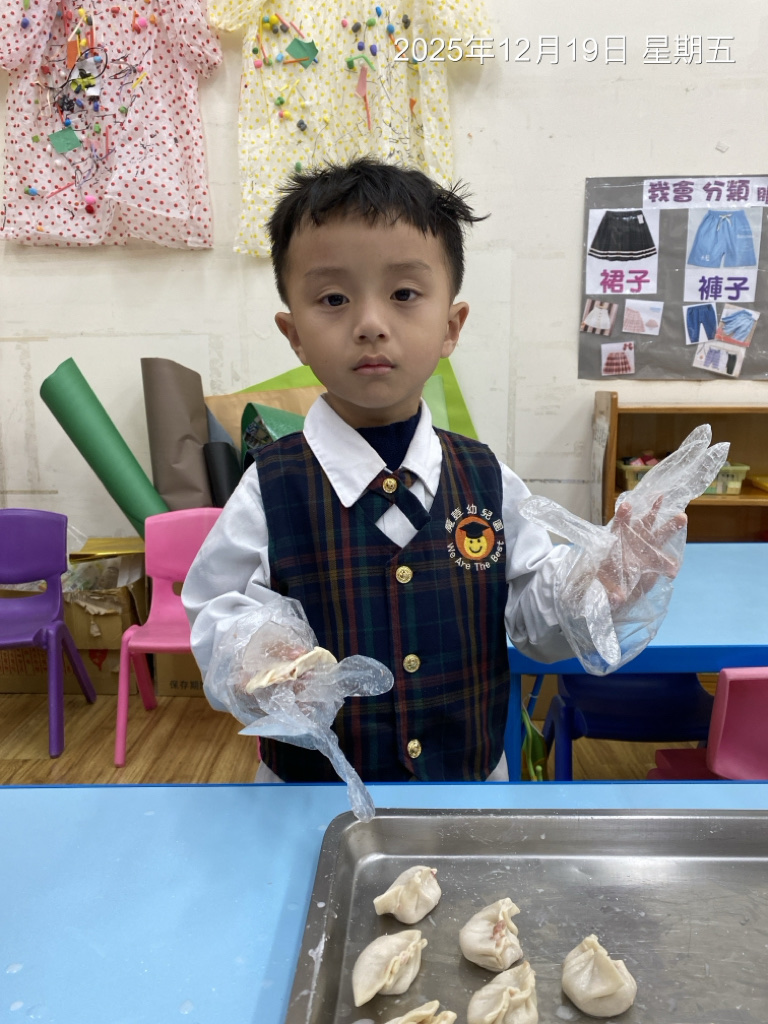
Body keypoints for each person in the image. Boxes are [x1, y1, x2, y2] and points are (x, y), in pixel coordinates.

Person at [181, 158, 677, 784]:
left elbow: (535, 616)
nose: (370, 324)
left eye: (404, 294)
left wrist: (596, 587)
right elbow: (218, 610)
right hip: (310, 798)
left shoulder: (486, 477)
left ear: (451, 326)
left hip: (469, 789)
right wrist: (257, 653)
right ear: (294, 334)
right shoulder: (270, 485)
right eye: (333, 299)